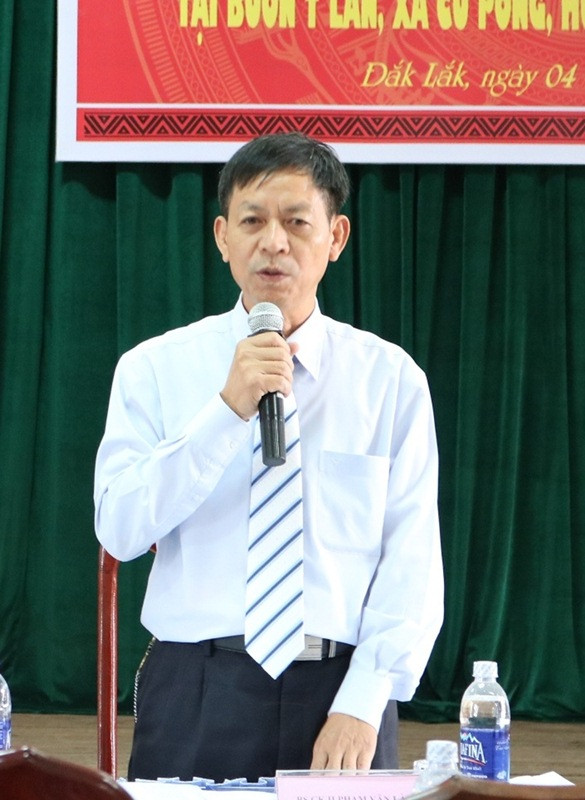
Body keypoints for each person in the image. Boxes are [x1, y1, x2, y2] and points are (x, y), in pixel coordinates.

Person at [94, 132, 444, 782]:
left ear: (335, 237)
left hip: (340, 694)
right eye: (252, 221)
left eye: (296, 222)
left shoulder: (390, 380)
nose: (273, 242)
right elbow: (119, 528)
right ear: (222, 237)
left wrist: (366, 697)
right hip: (196, 688)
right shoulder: (154, 369)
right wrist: (226, 410)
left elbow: (411, 557)